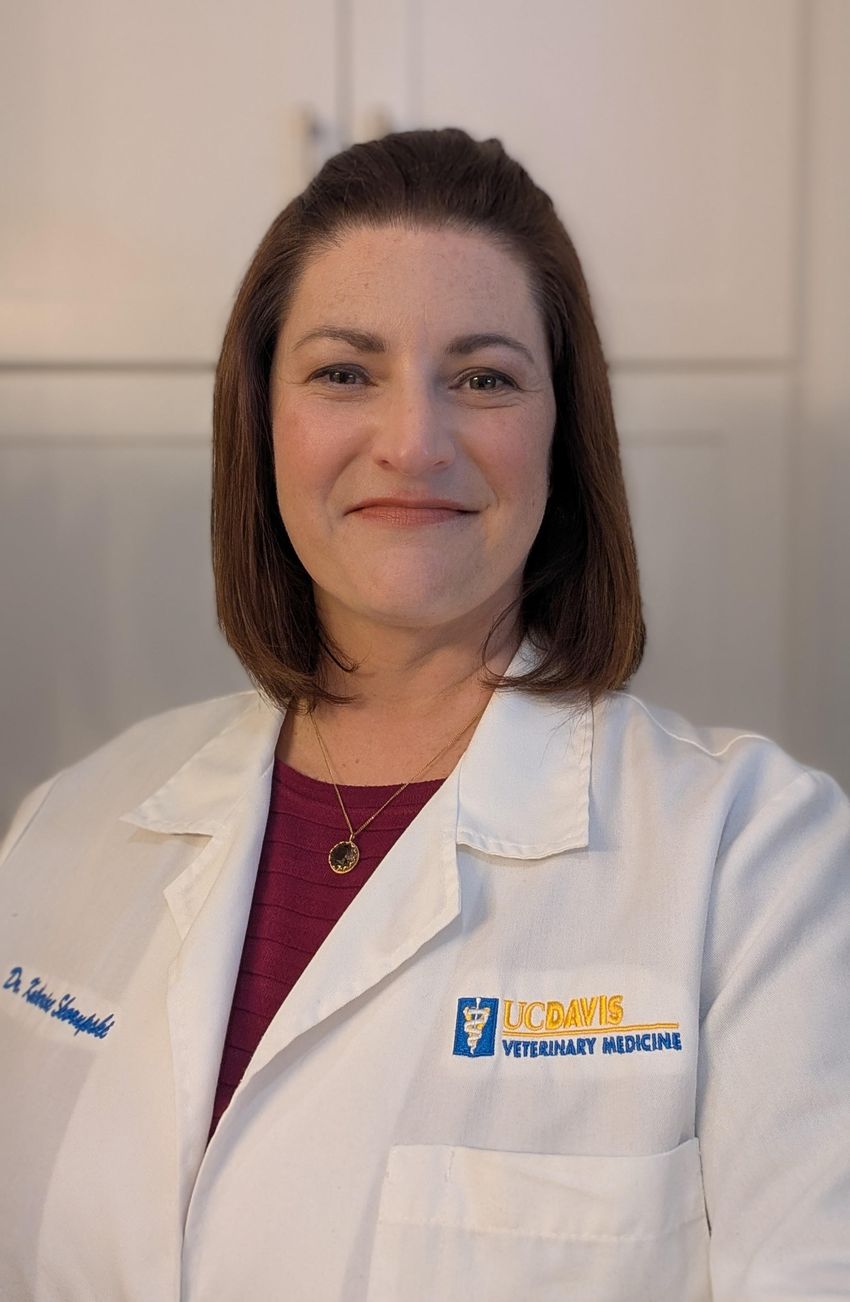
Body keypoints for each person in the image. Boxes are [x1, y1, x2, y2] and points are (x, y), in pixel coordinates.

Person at [1, 126, 848, 1302]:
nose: (414, 441)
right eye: (344, 371)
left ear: (563, 431)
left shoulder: (758, 864)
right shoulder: (63, 827)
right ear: (265, 424)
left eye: (484, 377)